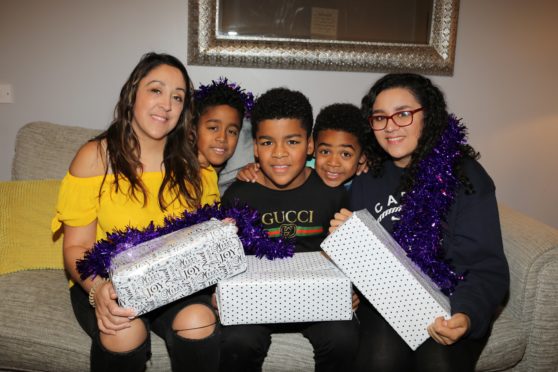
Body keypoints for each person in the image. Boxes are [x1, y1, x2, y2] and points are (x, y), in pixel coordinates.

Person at [52, 52, 221, 372]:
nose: (166, 104)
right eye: (156, 90)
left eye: (177, 97)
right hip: (107, 281)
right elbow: (76, 246)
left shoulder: (194, 164)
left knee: (198, 321)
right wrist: (99, 289)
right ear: (132, 93)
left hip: (175, 282)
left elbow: (205, 240)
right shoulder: (95, 158)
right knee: (125, 331)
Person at [329, 73, 509, 372]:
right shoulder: (366, 179)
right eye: (380, 118)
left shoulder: (465, 177)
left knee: (437, 362)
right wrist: (348, 244)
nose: (390, 127)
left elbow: (485, 267)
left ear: (429, 116)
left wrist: (465, 315)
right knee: (381, 359)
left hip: (453, 300)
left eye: (403, 114)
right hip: (386, 304)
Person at [220, 88, 359, 372]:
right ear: (256, 148)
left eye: (292, 141)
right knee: (237, 341)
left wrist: (352, 288)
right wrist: (220, 292)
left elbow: (349, 253)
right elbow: (225, 256)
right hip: (255, 302)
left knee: (343, 337)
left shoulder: (332, 193)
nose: (280, 153)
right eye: (267, 142)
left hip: (319, 302)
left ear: (309, 145)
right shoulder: (239, 194)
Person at [237, 103, 371, 188]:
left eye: (345, 154)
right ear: (312, 147)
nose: (333, 163)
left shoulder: (365, 180)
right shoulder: (303, 167)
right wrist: (252, 169)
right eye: (325, 151)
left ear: (362, 157)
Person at [192, 77, 254, 183]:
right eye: (213, 128)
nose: (222, 138)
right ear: (193, 128)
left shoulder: (239, 176)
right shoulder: (175, 171)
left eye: (231, 131)